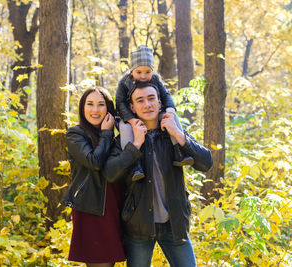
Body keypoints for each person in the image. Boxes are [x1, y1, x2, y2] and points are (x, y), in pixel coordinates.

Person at [103, 81, 213, 267]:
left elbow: (206, 163)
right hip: (138, 226)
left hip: (174, 224)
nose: (147, 104)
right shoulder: (124, 141)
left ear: (160, 103)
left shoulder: (173, 134)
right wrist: (135, 145)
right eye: (140, 100)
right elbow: (111, 173)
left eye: (151, 98)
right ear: (132, 107)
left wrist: (179, 135)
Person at [61, 87, 127, 267]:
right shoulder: (76, 134)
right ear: (83, 108)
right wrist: (106, 133)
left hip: (114, 206)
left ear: (109, 109)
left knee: (110, 262)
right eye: (90, 104)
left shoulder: (115, 137)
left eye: (101, 104)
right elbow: (94, 161)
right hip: (91, 207)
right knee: (99, 263)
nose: (95, 110)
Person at [116, 45, 194, 182]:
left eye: (147, 72)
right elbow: (120, 103)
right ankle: (134, 165)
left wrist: (169, 109)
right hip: (127, 115)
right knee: (125, 128)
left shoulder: (155, 79)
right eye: (139, 72)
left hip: (152, 112)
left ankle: (178, 151)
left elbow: (165, 95)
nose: (143, 76)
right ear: (132, 70)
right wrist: (131, 120)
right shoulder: (124, 82)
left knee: (172, 117)